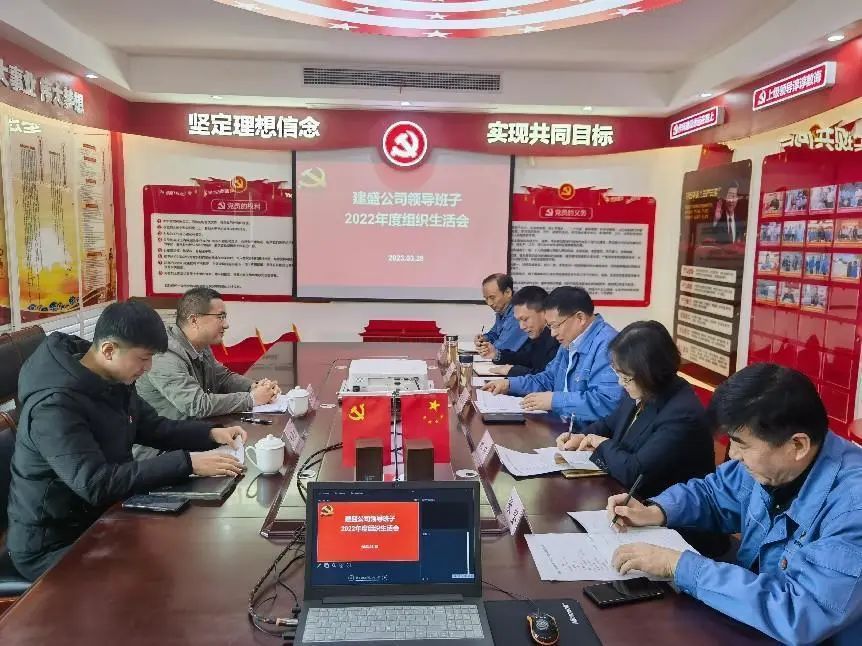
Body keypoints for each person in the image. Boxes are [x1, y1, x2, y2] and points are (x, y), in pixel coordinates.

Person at [606, 364, 862, 645]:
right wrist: (657, 511)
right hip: (751, 623)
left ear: (798, 445)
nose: (734, 455)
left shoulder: (853, 509)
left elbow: (799, 612)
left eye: (742, 444)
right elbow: (714, 493)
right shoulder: (773, 463)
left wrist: (680, 566)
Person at [6, 301, 247, 581]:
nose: (148, 368)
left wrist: (210, 434)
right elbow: (96, 483)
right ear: (109, 350)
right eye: (143, 359)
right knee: (159, 574)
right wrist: (188, 463)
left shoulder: (111, 378)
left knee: (188, 553)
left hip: (103, 518)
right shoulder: (55, 406)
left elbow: (154, 427)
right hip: (53, 544)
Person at [555, 321, 715, 498]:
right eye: (618, 373)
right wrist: (582, 437)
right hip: (623, 493)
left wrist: (600, 444)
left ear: (651, 373)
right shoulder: (645, 388)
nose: (620, 383)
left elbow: (634, 473)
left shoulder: (682, 415)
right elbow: (609, 424)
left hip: (660, 506)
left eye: (625, 377)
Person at [136, 287, 280, 422]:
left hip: (194, 429)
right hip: (165, 440)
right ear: (194, 320)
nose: (226, 325)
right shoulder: (163, 355)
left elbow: (222, 378)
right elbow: (196, 405)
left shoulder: (201, 345)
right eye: (220, 317)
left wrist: (254, 387)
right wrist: (251, 399)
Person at [482, 286, 622, 425]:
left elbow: (606, 402)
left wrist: (554, 401)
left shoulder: (609, 346)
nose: (553, 333)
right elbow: (549, 378)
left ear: (580, 318)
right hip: (560, 425)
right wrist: (510, 384)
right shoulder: (570, 340)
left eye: (556, 326)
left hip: (583, 433)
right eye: (550, 326)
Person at [486, 286, 558, 377]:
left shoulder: (558, 339)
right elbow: (523, 358)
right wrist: (496, 354)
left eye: (525, 319)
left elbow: (548, 377)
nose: (521, 326)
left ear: (544, 312)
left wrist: (513, 371)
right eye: (519, 321)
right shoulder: (537, 335)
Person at [474, 273, 528, 355]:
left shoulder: (517, 313)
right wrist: (484, 338)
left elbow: (501, 347)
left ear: (508, 292)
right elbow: (495, 334)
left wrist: (485, 347)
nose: (489, 303)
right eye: (486, 298)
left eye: (492, 297)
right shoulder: (502, 310)